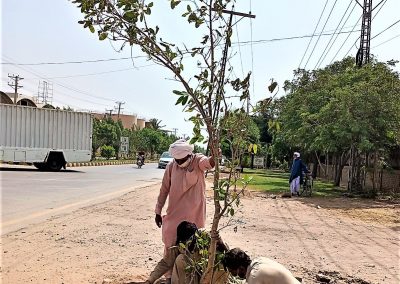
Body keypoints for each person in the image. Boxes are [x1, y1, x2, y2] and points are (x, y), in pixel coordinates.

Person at [154, 139, 219, 283]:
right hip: (174, 213)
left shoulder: (198, 161)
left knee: (194, 245)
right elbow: (164, 189)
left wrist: (215, 155)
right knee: (170, 243)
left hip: (194, 215)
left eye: (182, 159)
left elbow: (209, 163)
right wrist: (158, 211)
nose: (179, 163)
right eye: (176, 160)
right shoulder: (171, 167)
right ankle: (170, 277)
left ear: (189, 155)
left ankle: (195, 276)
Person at [127, 221, 228, 284]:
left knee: (221, 264)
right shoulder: (180, 246)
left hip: (208, 277)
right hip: (191, 279)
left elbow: (227, 254)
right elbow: (165, 263)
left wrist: (219, 241)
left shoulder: (208, 237)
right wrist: (150, 281)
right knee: (181, 259)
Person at [222, 248, 301, 284]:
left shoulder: (254, 276)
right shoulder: (260, 261)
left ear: (241, 268)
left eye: (233, 272)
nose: (234, 275)